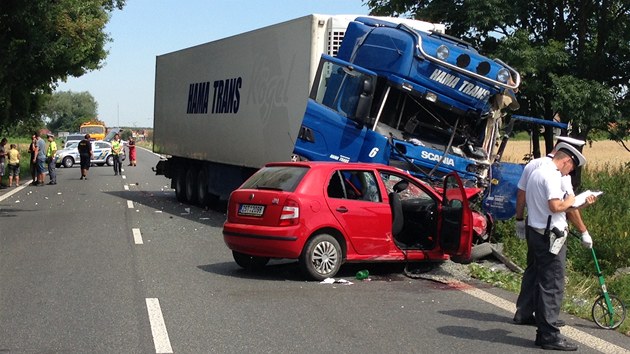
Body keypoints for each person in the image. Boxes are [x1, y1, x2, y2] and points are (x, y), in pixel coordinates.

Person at [514, 137, 594, 328]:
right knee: (552, 281)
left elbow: (522, 194)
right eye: (572, 166)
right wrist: (583, 230)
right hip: (549, 233)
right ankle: (548, 328)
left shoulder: (534, 167)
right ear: (566, 158)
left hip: (534, 227)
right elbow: (560, 205)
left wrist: (519, 219)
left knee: (534, 272)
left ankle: (526, 313)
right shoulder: (555, 175)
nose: (572, 171)